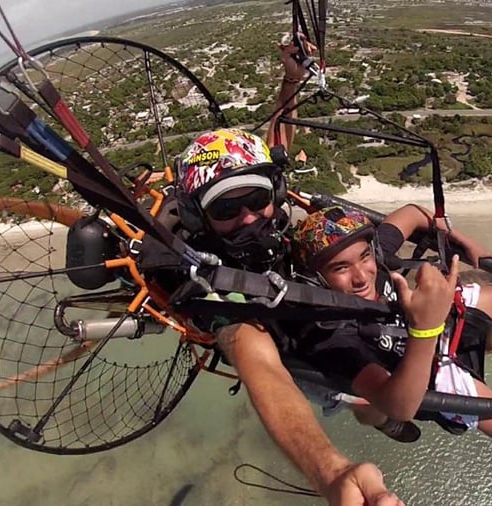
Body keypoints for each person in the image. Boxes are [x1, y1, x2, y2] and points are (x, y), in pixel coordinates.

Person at [167, 40, 403, 506]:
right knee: (358, 402)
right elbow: (261, 369)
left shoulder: (272, 210)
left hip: (313, 300)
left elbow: (279, 142)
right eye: (228, 210)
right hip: (275, 328)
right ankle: (380, 420)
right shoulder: (213, 296)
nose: (250, 217)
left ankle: (382, 414)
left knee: (367, 391)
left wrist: (291, 79)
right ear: (199, 221)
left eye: (256, 201)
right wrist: (331, 473)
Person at [288, 205, 492, 446]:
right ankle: (383, 422)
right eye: (340, 268)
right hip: (418, 369)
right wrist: (426, 328)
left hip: (423, 325)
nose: (361, 276)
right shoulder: (334, 335)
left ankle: (491, 341)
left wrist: (463, 241)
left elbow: (412, 214)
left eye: (364, 257)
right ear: (317, 279)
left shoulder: (375, 258)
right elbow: (399, 406)